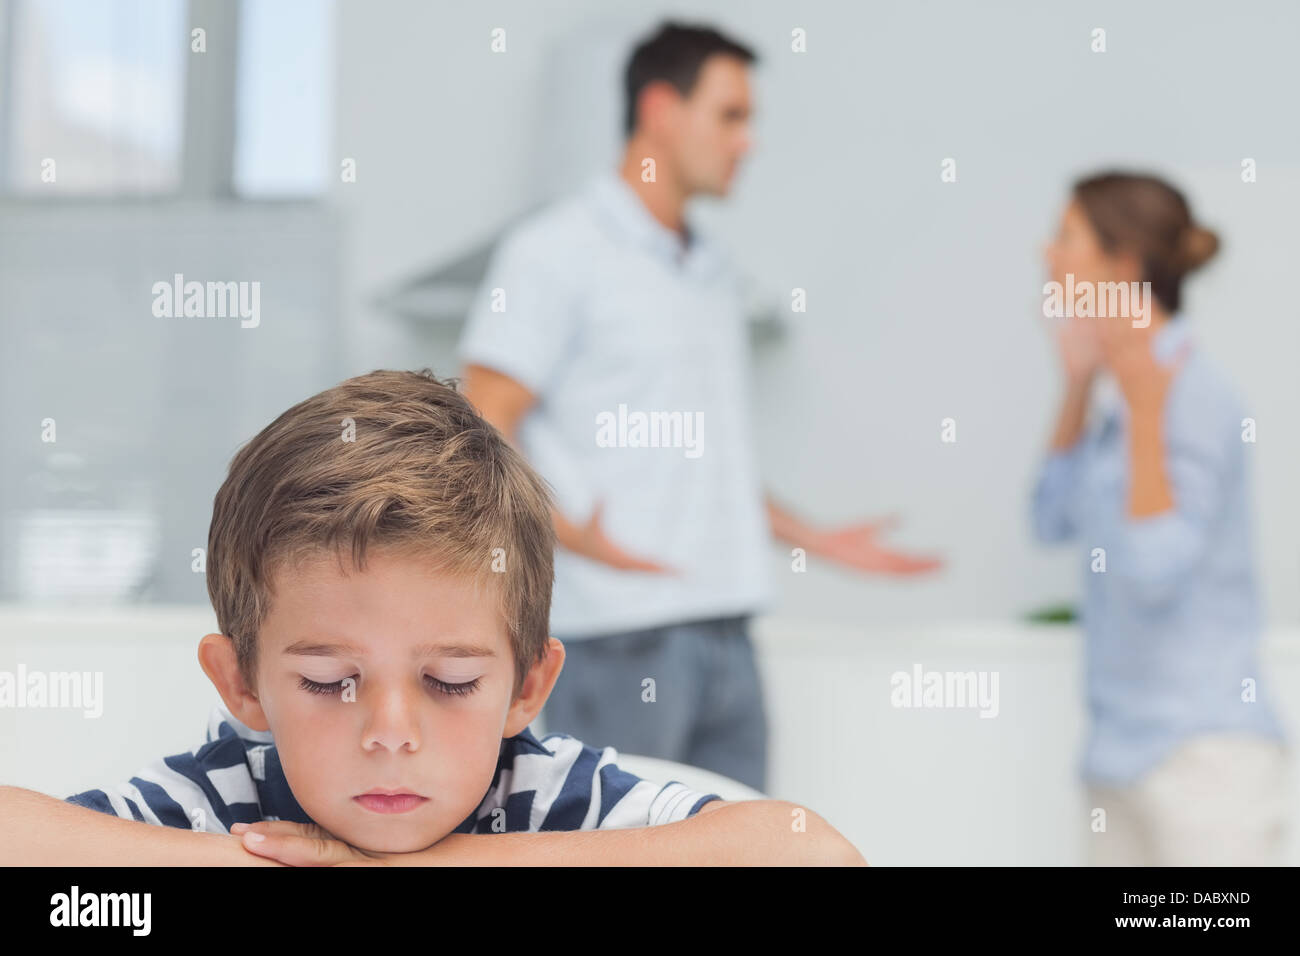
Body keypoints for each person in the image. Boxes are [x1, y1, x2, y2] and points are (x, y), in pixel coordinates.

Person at [0, 369, 865, 865]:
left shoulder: (549, 796)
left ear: (528, 686)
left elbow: (808, 855)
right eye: (330, 681)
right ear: (242, 684)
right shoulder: (218, 804)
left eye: (450, 682)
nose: (390, 732)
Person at [459, 22, 940, 794]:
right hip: (617, 638)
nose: (747, 142)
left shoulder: (711, 271)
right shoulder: (555, 253)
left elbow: (703, 458)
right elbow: (482, 420)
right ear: (660, 109)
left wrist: (817, 539)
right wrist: (570, 534)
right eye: (731, 115)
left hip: (728, 627)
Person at [1033, 171, 1289, 866]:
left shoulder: (1194, 392)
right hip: (1117, 754)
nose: (1047, 255)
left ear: (1121, 265)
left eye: (1066, 237)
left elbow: (1152, 571)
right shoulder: (1115, 390)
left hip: (1202, 763)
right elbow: (1049, 519)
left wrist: (1147, 413)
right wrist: (1079, 385)